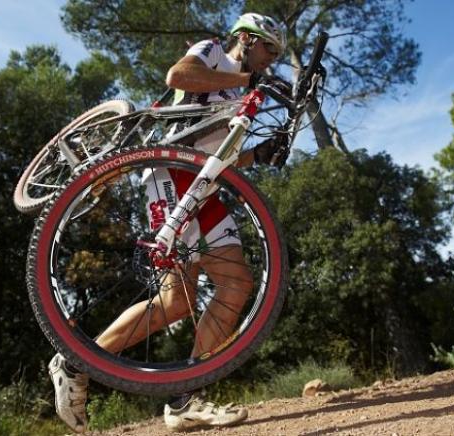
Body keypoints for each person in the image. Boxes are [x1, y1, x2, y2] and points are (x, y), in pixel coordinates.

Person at [48, 12, 288, 433]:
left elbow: (223, 155)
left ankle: (183, 399)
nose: (273, 58)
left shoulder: (256, 90)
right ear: (247, 40)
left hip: (207, 186)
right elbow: (178, 74)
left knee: (228, 287)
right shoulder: (215, 53)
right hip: (171, 174)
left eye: (278, 54)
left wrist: (259, 155)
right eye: (270, 47)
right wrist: (244, 83)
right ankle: (77, 361)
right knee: (177, 300)